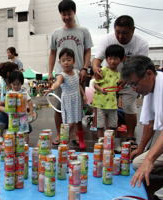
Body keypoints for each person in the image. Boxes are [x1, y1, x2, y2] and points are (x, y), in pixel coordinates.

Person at [92, 15, 149, 144]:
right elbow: (97, 59)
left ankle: (130, 136)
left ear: (133, 30)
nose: (121, 36)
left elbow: (141, 66)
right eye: (118, 32)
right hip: (108, 79)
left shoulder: (142, 43)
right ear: (114, 29)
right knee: (105, 108)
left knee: (129, 106)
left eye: (125, 33)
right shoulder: (107, 39)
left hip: (130, 79)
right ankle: (104, 138)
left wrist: (126, 78)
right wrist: (96, 68)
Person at [48, 0, 93, 147]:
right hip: (61, 75)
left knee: (78, 109)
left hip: (78, 74)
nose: (66, 17)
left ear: (74, 12)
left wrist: (85, 68)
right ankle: (61, 135)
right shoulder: (56, 33)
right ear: (60, 14)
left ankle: (75, 135)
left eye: (69, 13)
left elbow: (88, 51)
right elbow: (52, 54)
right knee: (60, 107)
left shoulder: (83, 31)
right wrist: (50, 73)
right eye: (63, 14)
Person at [121, 56, 163, 196]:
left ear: (149, 74)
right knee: (138, 163)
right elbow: (149, 124)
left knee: (158, 195)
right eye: (130, 85)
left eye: (135, 84)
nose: (134, 89)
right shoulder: (150, 91)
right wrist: (140, 149)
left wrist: (150, 159)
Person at [45, 48, 87, 149]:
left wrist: (83, 95)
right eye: (63, 60)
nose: (66, 63)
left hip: (76, 100)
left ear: (74, 61)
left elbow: (78, 85)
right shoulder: (61, 75)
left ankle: (81, 139)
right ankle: (64, 141)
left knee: (79, 121)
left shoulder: (77, 72)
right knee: (69, 123)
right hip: (67, 101)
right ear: (60, 62)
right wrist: (52, 88)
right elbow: (57, 83)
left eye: (69, 60)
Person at [92, 44, 125, 138]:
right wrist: (101, 89)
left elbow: (118, 89)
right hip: (100, 103)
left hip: (112, 104)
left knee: (113, 125)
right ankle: (101, 143)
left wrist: (119, 88)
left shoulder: (119, 75)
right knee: (100, 125)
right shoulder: (102, 71)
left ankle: (111, 143)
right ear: (106, 59)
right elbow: (95, 84)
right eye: (110, 58)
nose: (112, 61)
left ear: (121, 59)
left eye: (116, 58)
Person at [8, 70, 35, 143]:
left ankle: (26, 145)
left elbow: (29, 101)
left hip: (23, 116)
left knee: (25, 131)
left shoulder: (24, 92)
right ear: (10, 83)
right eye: (14, 84)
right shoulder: (9, 94)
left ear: (22, 83)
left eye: (18, 84)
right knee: (13, 132)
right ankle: (13, 146)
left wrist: (31, 112)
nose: (16, 86)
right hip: (13, 116)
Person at [0, 62, 18, 132]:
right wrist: (7, 110)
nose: (17, 73)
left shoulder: (16, 86)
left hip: (16, 114)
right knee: (1, 116)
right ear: (8, 73)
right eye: (15, 71)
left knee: (27, 127)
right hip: (1, 115)